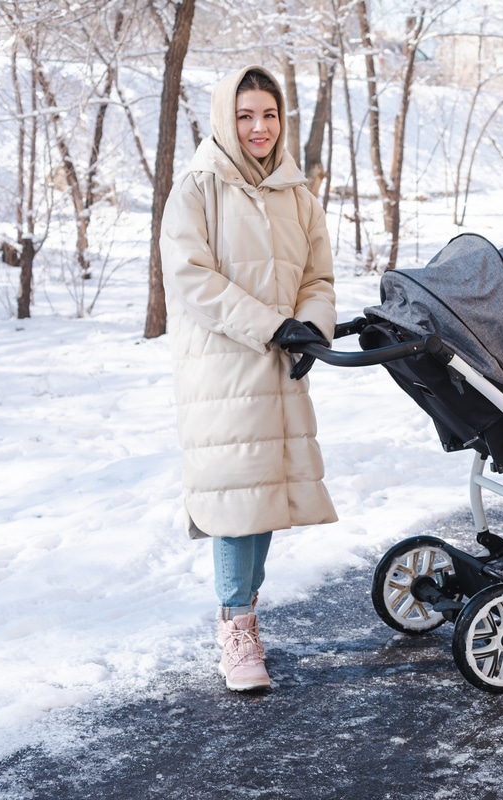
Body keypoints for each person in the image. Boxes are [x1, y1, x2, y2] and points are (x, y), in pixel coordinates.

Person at [160, 65, 337, 691]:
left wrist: (312, 328)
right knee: (235, 498)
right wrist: (271, 325)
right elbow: (191, 279)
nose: (259, 127)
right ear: (223, 119)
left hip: (280, 362)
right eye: (244, 115)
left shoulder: (298, 193)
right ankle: (235, 630)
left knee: (263, 496)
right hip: (224, 368)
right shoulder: (198, 189)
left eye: (268, 114)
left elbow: (318, 277)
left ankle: (247, 613)